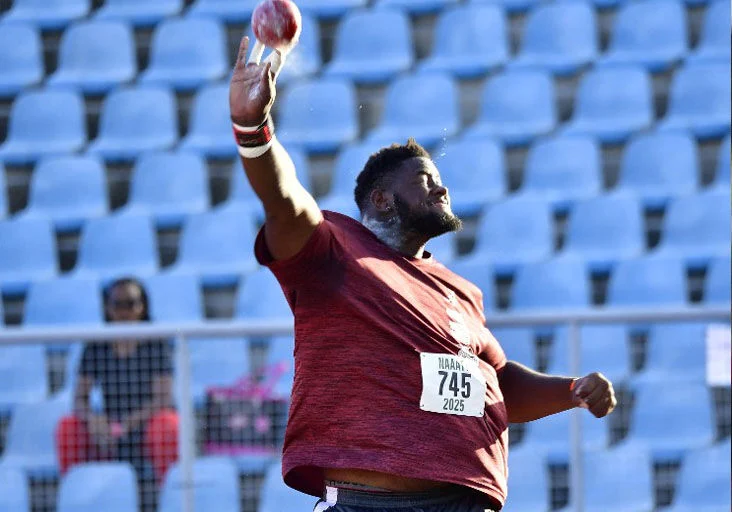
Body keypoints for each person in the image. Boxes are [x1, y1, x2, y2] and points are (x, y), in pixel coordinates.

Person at [229, 36, 616, 512]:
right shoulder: (332, 248)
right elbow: (284, 200)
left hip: (464, 502)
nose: (442, 187)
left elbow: (496, 383)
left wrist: (569, 391)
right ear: (381, 199)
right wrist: (253, 128)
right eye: (424, 180)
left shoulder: (462, 291)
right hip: (366, 504)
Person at [56, 278, 178, 488]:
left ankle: (169, 493)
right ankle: (75, 493)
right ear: (107, 307)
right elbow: (79, 398)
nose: (124, 311)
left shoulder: (156, 343)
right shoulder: (97, 344)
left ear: (143, 306)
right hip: (107, 428)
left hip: (146, 424)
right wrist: (94, 420)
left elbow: (163, 399)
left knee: (167, 424)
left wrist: (125, 425)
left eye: (130, 304)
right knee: (68, 427)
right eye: (117, 304)